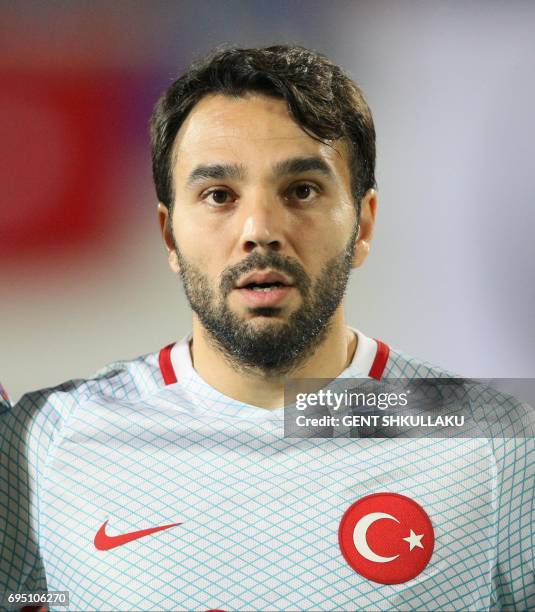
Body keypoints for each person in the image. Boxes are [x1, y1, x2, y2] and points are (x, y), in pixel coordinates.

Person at [1, 45, 533, 612]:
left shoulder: (495, 440)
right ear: (169, 236)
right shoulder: (44, 443)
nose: (259, 230)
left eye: (301, 190)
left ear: (363, 224)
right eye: (219, 196)